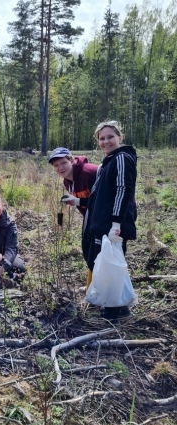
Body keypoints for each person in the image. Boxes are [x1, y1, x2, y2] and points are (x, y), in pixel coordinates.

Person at [82, 120, 137, 319]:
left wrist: (116, 223)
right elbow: (101, 196)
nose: (106, 141)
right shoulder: (109, 161)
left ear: (120, 138)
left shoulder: (122, 158)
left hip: (112, 225)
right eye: (102, 138)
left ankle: (115, 310)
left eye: (110, 137)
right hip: (103, 223)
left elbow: (123, 190)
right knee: (106, 263)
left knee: (111, 263)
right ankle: (114, 306)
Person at [48, 147, 98, 217]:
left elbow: (103, 200)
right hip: (91, 219)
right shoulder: (66, 181)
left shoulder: (90, 173)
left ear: (71, 161)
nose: (61, 168)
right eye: (56, 165)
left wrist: (77, 201)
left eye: (63, 163)